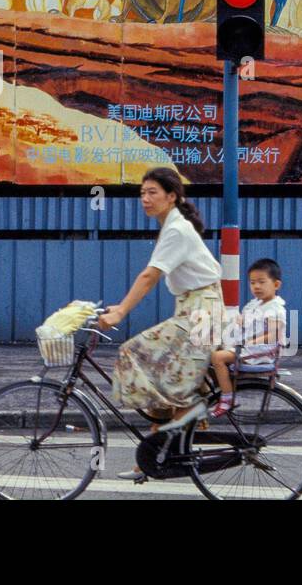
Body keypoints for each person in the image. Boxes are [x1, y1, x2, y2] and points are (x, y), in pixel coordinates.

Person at [97, 167, 224, 480]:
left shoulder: (177, 230)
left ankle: (191, 413)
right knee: (163, 375)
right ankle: (150, 462)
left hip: (201, 313)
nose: (145, 198)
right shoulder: (172, 226)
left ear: (172, 196)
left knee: (134, 352)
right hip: (196, 308)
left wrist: (120, 313)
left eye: (152, 192)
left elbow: (150, 275)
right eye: (142, 193)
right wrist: (120, 306)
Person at [209, 259, 286, 418]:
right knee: (209, 350)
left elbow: (272, 334)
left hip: (260, 352)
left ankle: (227, 397)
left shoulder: (275, 308)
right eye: (252, 282)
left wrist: (248, 342)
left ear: (276, 285)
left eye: (261, 282)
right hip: (247, 347)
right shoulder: (256, 304)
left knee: (217, 357)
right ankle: (223, 386)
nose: (256, 286)